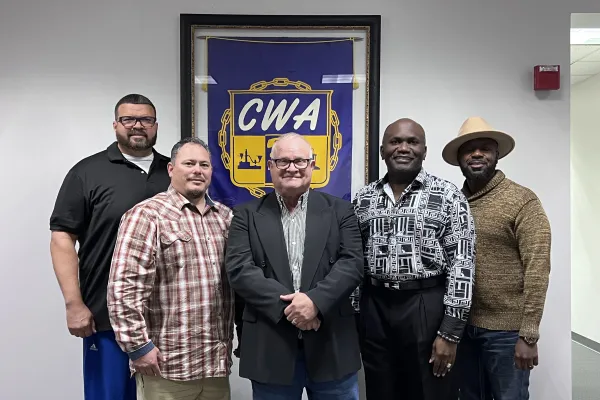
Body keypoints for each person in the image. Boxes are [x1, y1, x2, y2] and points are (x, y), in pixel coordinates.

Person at [49, 94, 170, 400]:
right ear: (115, 124)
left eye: (146, 119)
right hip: (106, 316)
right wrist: (73, 304)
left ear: (156, 125)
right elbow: (62, 238)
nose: (137, 126)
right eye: (129, 119)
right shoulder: (87, 172)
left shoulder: (174, 173)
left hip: (169, 318)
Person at [225, 132, 364, 399]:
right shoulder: (245, 215)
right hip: (270, 344)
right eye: (283, 161)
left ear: (312, 165)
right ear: (270, 166)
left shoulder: (341, 211)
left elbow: (352, 263)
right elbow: (240, 270)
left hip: (331, 342)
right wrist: (294, 310)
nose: (292, 168)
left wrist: (315, 303)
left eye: (300, 161)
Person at [352, 118, 476, 400]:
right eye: (395, 142)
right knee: (380, 390)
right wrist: (356, 318)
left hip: (426, 306)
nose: (403, 148)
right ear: (383, 150)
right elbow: (354, 260)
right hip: (375, 306)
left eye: (412, 142)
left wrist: (450, 333)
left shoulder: (448, 196)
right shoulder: (364, 198)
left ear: (424, 151)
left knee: (429, 390)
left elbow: (463, 265)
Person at [107, 137, 234, 400]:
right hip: (166, 368)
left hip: (215, 368)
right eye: (189, 163)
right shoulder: (146, 215)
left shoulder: (225, 218)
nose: (197, 170)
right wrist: (138, 348)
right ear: (171, 169)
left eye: (204, 165)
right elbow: (123, 289)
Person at [442, 116, 551, 400]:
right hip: (462, 329)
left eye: (485, 148)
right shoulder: (453, 202)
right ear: (459, 158)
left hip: (506, 333)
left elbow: (538, 268)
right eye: (469, 149)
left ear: (497, 154)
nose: (477, 154)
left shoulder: (522, 200)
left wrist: (528, 334)